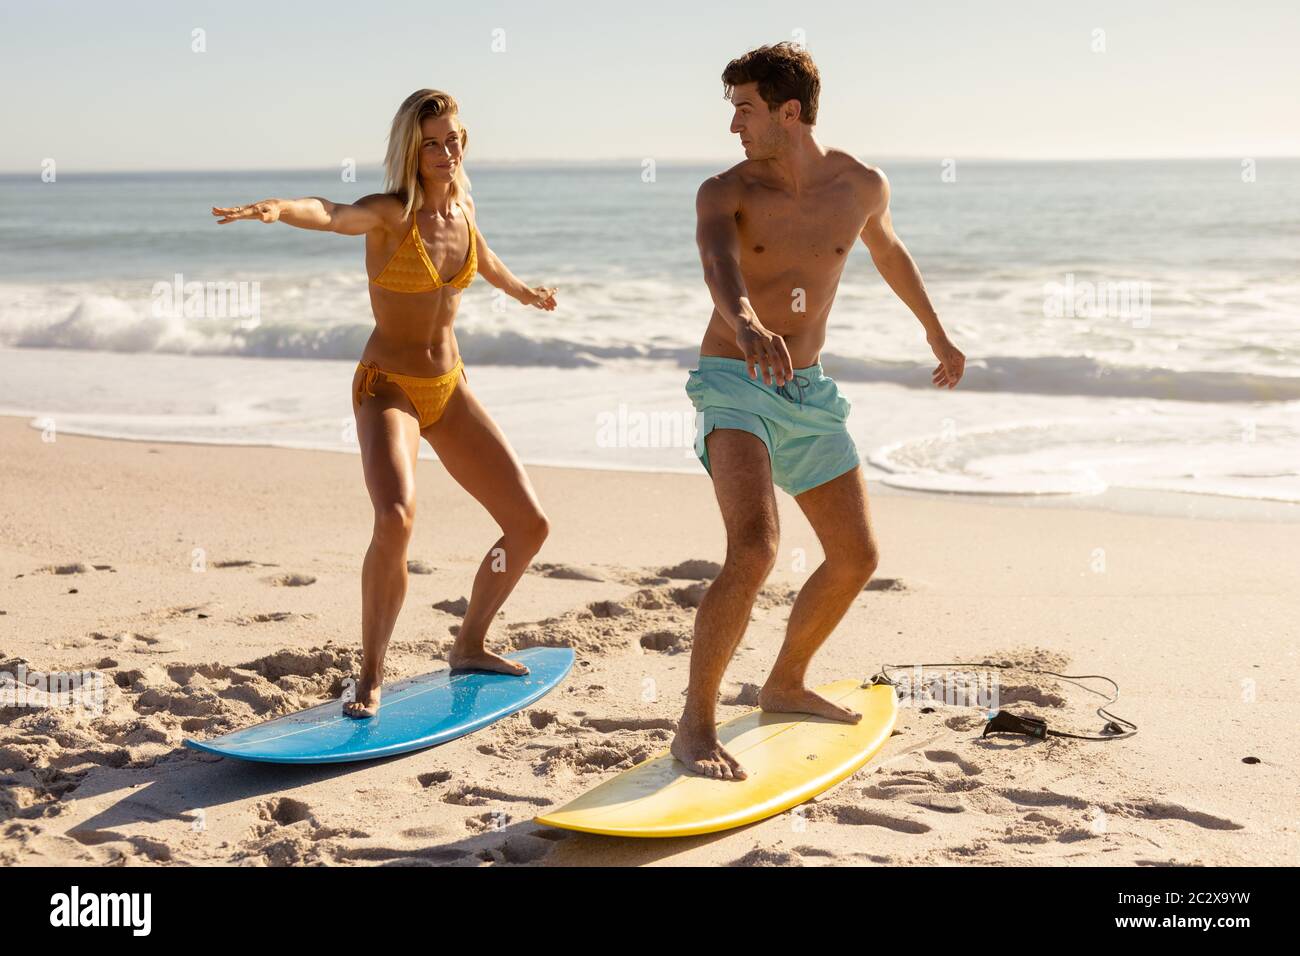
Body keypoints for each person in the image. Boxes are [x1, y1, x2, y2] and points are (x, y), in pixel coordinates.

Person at [212, 90, 559, 718]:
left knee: (530, 526)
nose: (447, 151)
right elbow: (330, 210)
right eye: (432, 142)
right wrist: (278, 208)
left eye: (454, 139)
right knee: (396, 518)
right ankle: (370, 674)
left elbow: (480, 255)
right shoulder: (390, 214)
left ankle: (470, 642)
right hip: (388, 389)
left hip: (448, 387)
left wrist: (524, 292)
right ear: (411, 149)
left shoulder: (464, 205)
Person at [672, 43, 966, 778]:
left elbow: (889, 252)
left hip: (806, 388)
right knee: (755, 547)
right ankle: (695, 727)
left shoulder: (860, 185)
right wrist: (744, 323)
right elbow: (720, 265)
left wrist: (934, 330)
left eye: (745, 109)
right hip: (733, 378)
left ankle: (784, 682)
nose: (734, 125)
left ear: (789, 112)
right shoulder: (724, 191)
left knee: (856, 556)